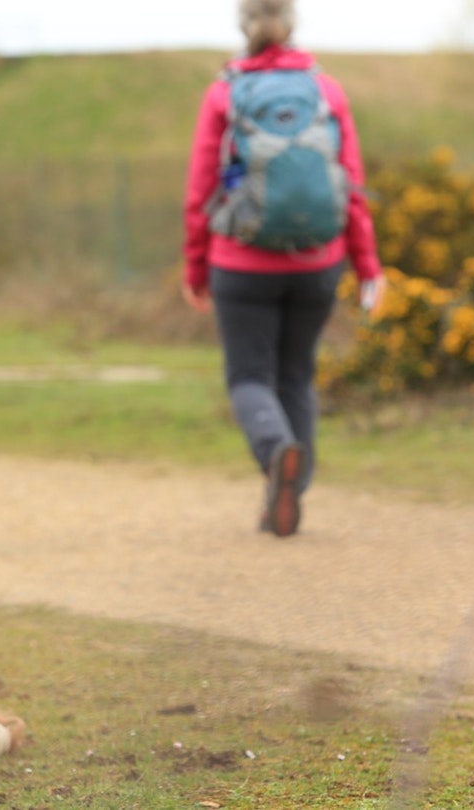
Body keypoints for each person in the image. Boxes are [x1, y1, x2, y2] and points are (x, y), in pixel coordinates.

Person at [182, 0, 384, 537]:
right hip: (319, 260)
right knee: (297, 374)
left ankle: (277, 455)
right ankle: (294, 485)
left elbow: (201, 190)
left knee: (250, 376)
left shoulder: (225, 92)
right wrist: (368, 267)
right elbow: (353, 185)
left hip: (241, 264)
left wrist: (196, 269)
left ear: (243, 25)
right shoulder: (327, 89)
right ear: (291, 24)